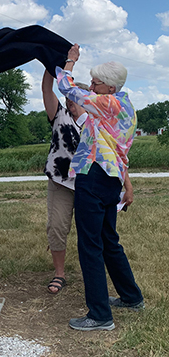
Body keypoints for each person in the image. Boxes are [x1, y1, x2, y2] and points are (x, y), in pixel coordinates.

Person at [57, 44, 143, 331]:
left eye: (95, 83)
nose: (91, 86)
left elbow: (67, 87)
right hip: (110, 179)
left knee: (90, 245)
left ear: (109, 87)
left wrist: (70, 62)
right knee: (108, 240)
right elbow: (102, 136)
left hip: (93, 176)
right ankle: (131, 297)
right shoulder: (127, 107)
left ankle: (99, 315)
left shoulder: (107, 103)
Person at [41, 71, 87, 294]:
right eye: (68, 95)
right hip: (60, 181)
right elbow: (46, 90)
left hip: (88, 183)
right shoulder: (60, 115)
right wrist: (50, 66)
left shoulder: (95, 120)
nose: (70, 99)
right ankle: (59, 274)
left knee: (90, 230)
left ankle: (91, 271)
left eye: (75, 95)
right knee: (57, 227)